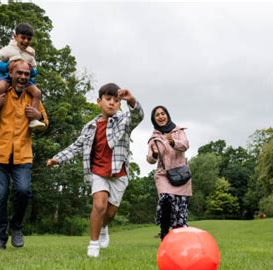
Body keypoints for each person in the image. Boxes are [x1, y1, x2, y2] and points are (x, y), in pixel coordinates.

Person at [47, 83, 144, 257]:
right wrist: (58, 158)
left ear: (120, 105)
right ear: (99, 102)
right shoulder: (89, 127)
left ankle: (103, 227)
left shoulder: (124, 121)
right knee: (99, 205)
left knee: (111, 212)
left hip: (118, 173)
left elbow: (138, 116)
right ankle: (93, 245)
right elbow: (76, 146)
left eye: (116, 100)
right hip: (98, 171)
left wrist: (131, 100)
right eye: (108, 99)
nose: (112, 103)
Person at [0, 59, 49, 250]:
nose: (23, 77)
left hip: (22, 155)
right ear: (11, 74)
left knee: (23, 191)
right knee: (0, 194)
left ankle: (16, 226)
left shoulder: (32, 96)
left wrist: (38, 116)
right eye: (20, 73)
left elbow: (45, 121)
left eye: (27, 74)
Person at [0, 22, 46, 130]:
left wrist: (38, 116)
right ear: (15, 36)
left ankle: (33, 120)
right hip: (7, 77)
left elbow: (34, 69)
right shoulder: (7, 49)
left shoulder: (30, 53)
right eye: (23, 37)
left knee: (37, 92)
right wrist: (8, 66)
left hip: (27, 83)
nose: (26, 41)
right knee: (0, 87)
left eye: (29, 39)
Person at [147, 105, 192, 241]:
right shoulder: (154, 138)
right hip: (164, 174)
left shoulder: (179, 131)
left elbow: (185, 145)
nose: (160, 117)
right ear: (154, 119)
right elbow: (150, 159)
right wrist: (154, 154)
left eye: (163, 113)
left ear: (167, 115)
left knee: (180, 206)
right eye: (157, 115)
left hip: (180, 173)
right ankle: (164, 232)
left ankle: (179, 238)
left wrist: (173, 142)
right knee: (166, 199)